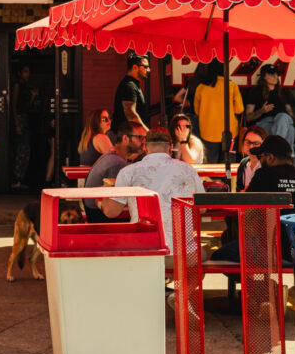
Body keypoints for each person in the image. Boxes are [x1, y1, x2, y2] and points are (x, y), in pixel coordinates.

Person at [210, 135, 295, 263]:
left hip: (273, 248)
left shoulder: (264, 175)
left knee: (219, 256)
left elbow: (246, 203)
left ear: (270, 157)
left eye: (261, 157)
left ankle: (260, 283)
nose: (259, 161)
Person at [100, 127, 204, 261]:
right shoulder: (188, 169)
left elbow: (111, 212)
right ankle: (174, 279)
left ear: (145, 148)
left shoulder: (128, 172)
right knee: (202, 254)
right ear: (170, 147)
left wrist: (105, 190)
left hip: (143, 253)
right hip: (184, 255)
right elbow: (202, 208)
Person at [244, 63, 295, 160]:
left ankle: (276, 152)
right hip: (264, 125)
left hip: (282, 123)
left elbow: (290, 115)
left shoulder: (283, 92)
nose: (275, 77)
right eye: (272, 74)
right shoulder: (255, 91)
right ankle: (286, 157)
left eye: (277, 74)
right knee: (290, 128)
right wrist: (261, 111)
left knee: (283, 118)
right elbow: (248, 117)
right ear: (264, 76)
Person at [82, 122, 144, 223]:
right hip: (100, 218)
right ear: (125, 139)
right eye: (140, 137)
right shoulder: (117, 163)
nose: (144, 142)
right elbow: (116, 202)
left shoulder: (112, 154)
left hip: (93, 212)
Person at [193, 59, 244, 164]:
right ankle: (229, 181)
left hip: (208, 132)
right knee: (229, 162)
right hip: (229, 131)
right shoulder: (231, 86)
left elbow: (196, 111)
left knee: (210, 162)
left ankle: (211, 180)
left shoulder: (201, 88)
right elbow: (240, 109)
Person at [10, 64, 36, 189]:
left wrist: (32, 96)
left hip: (24, 118)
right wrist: (16, 124)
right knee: (21, 149)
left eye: (28, 72)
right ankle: (16, 179)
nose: (28, 74)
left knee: (26, 149)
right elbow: (14, 106)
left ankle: (20, 178)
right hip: (19, 119)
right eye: (25, 71)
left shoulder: (26, 87)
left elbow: (27, 106)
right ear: (20, 72)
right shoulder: (17, 85)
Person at [112, 53, 151, 130]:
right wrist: (147, 133)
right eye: (145, 67)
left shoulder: (133, 84)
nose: (149, 70)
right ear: (135, 67)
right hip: (126, 137)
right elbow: (131, 114)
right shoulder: (129, 86)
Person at [236, 125, 268, 190]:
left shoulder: (268, 164)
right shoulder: (243, 163)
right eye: (248, 142)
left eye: (256, 143)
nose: (251, 147)